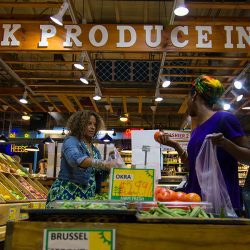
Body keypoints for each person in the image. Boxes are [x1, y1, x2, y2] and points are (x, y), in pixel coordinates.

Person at [157, 75, 250, 212]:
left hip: (221, 202)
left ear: (194, 95)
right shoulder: (196, 129)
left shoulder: (224, 119)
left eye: (187, 99)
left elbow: (248, 157)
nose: (187, 103)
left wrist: (225, 143)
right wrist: (174, 145)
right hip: (196, 200)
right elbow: (191, 165)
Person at [46, 110, 121, 208]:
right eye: (88, 123)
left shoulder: (94, 150)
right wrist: (104, 164)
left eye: (94, 124)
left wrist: (110, 168)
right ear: (79, 124)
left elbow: (96, 173)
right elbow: (74, 159)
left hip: (87, 196)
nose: (93, 127)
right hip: (67, 193)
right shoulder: (71, 141)